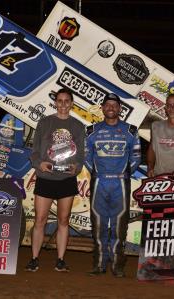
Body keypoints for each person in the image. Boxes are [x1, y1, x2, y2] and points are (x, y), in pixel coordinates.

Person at [25, 88, 85, 272]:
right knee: (40, 220)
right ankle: (34, 258)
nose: (63, 104)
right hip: (45, 178)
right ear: (55, 102)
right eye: (60, 100)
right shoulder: (45, 122)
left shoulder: (78, 126)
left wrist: (77, 167)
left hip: (66, 179)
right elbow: (34, 152)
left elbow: (81, 155)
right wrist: (39, 164)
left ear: (72, 104)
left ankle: (60, 260)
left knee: (64, 221)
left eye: (67, 101)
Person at [84, 93, 141, 277]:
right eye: (107, 104)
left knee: (119, 226)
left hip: (120, 183)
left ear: (119, 109)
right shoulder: (91, 130)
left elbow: (136, 157)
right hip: (100, 181)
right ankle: (99, 263)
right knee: (99, 224)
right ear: (102, 108)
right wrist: (98, 173)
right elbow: (86, 157)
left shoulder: (131, 131)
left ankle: (118, 266)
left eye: (114, 105)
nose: (111, 108)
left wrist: (123, 174)